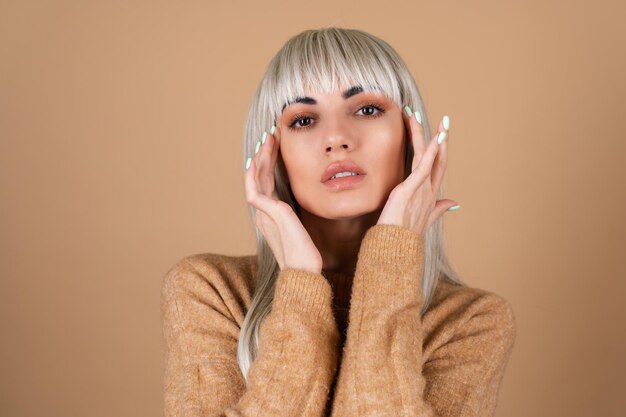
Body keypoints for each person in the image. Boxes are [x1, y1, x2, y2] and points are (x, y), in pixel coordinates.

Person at [160, 27, 517, 417]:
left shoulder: (471, 322)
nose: (336, 138)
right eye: (304, 119)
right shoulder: (212, 292)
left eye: (366, 110)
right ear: (271, 154)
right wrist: (300, 283)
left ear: (412, 139)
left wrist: (391, 259)